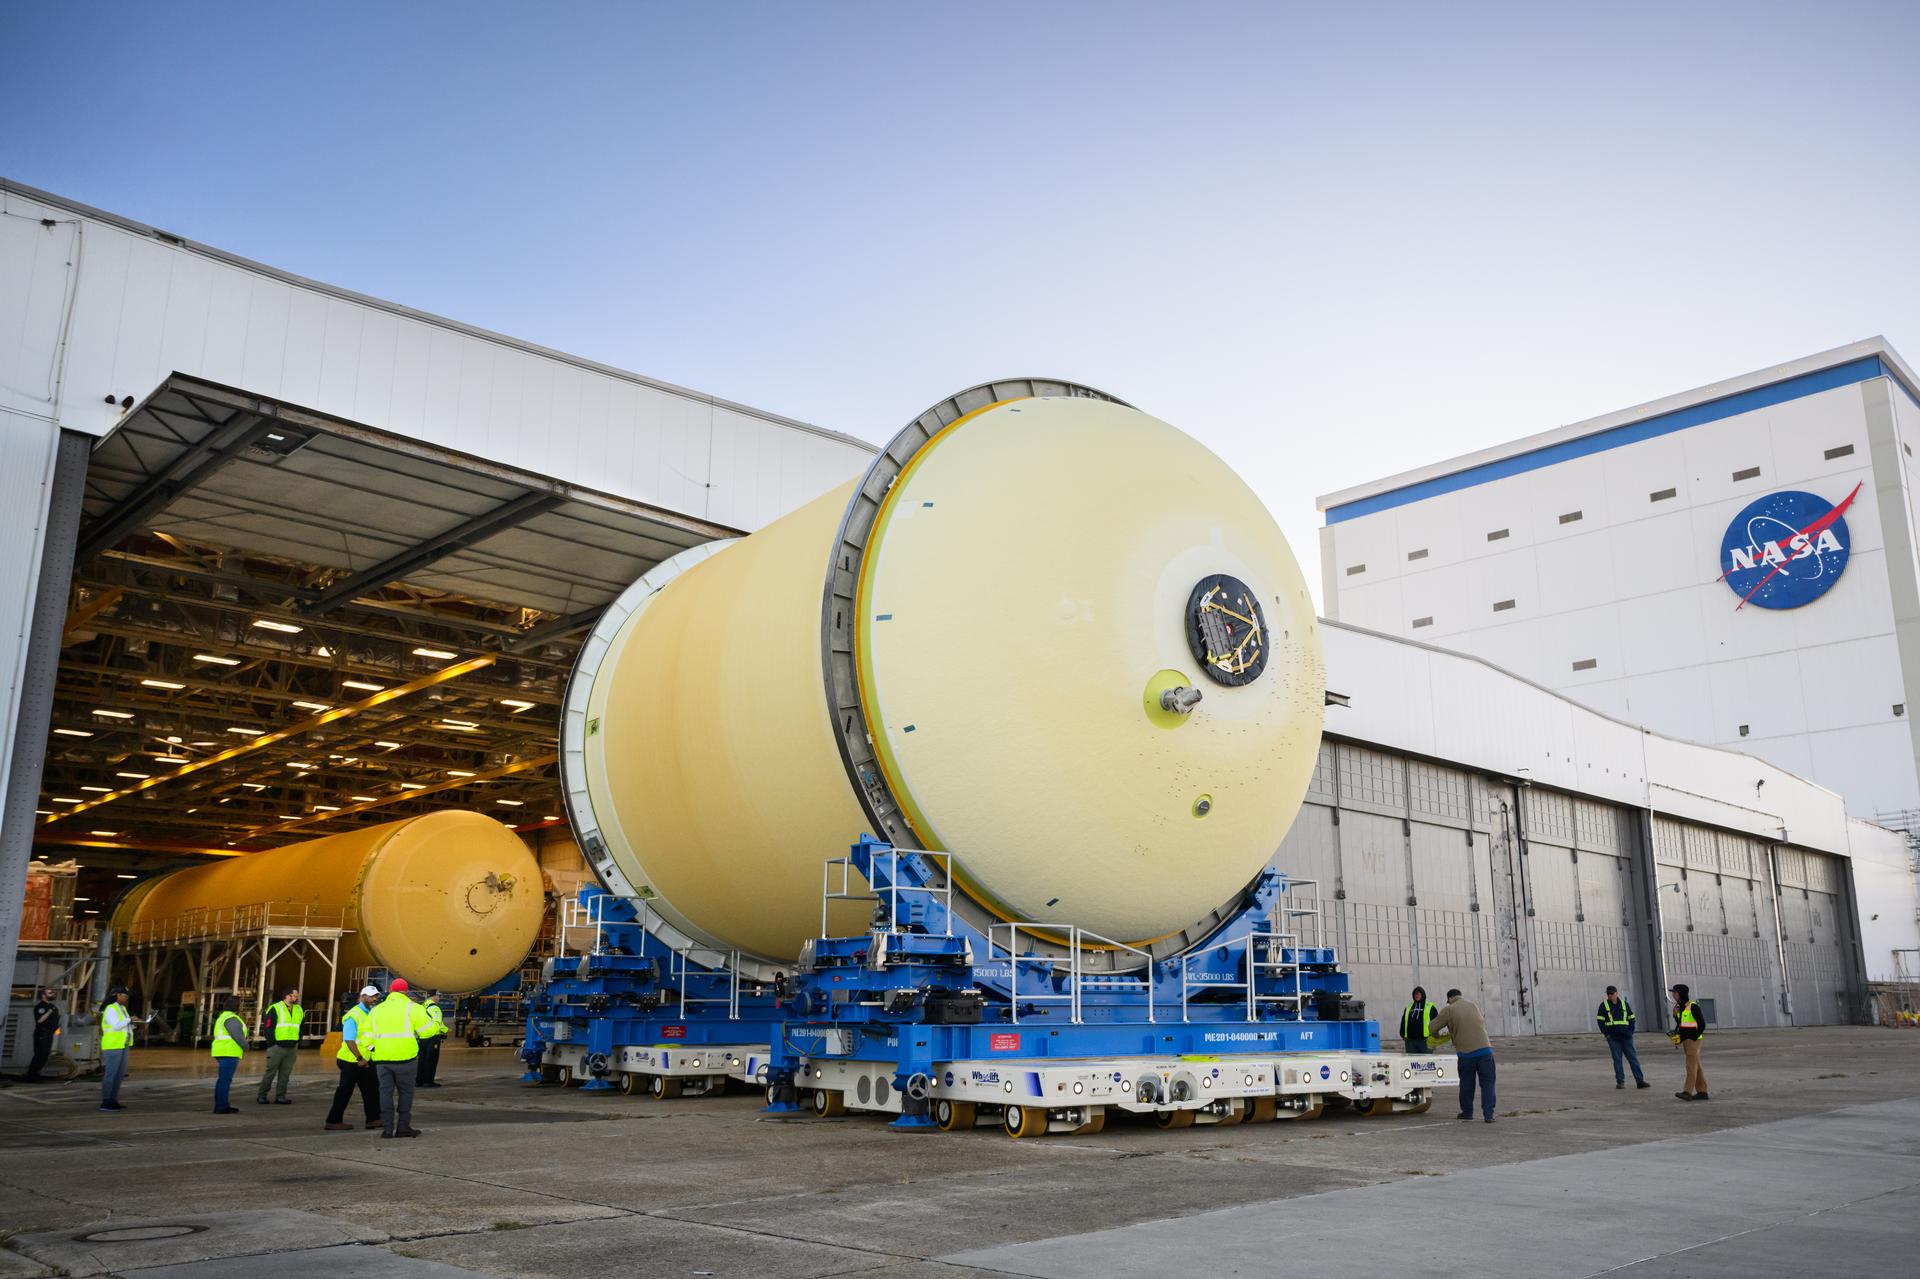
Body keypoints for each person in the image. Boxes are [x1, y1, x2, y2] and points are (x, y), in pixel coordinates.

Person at [364, 977, 434, 1138]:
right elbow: (427, 1032)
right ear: (406, 991)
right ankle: (403, 1128)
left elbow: (366, 1038)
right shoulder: (413, 1008)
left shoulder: (376, 1010)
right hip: (406, 1059)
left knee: (385, 1094)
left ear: (391, 991)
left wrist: (373, 1051)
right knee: (406, 1094)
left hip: (382, 1060)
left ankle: (387, 1129)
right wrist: (436, 1024)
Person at [1428, 987, 1496, 1123]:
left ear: (1449, 999)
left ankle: (1468, 1113)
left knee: (1466, 1084)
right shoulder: (1473, 1005)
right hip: (1485, 1051)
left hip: (1466, 1054)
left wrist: (1436, 1036)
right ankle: (1489, 1115)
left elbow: (1432, 1027)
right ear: (1460, 996)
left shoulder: (1449, 1009)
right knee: (1488, 1084)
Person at [325, 986, 383, 1132]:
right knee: (345, 1091)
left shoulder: (370, 1013)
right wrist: (359, 1058)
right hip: (351, 1060)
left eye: (376, 996)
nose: (374, 999)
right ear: (362, 996)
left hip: (366, 1059)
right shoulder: (354, 1015)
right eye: (371, 996)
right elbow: (350, 1040)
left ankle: (373, 1119)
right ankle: (333, 1120)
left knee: (371, 1089)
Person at [255, 986, 303, 1105]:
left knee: (285, 1074)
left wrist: (298, 1041)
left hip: (291, 1047)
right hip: (277, 1047)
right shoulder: (275, 1008)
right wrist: (273, 1044)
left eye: (297, 995)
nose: (296, 997)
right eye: (294, 995)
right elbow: (268, 1028)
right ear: (287, 996)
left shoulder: (299, 1009)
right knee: (270, 1072)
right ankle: (262, 1095)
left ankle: (281, 1096)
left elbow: (301, 1027)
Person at [1596, 985, 1648, 1089]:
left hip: (1626, 1037)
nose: (1610, 995)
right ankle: (1620, 1082)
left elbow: (1632, 1018)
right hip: (1613, 1038)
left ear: (1616, 993)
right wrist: (1606, 1034)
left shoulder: (1624, 1004)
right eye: (1608, 994)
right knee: (1617, 1060)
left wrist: (1631, 1031)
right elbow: (1600, 1021)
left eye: (1612, 993)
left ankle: (1640, 1081)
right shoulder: (1604, 1005)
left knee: (1633, 1059)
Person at [1670, 983, 1710, 1101]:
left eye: (1675, 992)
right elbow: (1682, 1025)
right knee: (1696, 1066)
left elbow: (1702, 1024)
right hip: (1686, 1040)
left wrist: (1694, 1037)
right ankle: (1702, 1092)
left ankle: (1687, 1092)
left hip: (1693, 1041)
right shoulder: (1680, 1007)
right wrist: (1675, 1016)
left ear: (1680, 993)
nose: (1673, 994)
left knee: (1690, 1066)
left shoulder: (1693, 1007)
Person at [98, 986, 133, 1112]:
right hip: (113, 1045)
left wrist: (133, 1023)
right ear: (117, 995)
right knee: (111, 1074)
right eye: (124, 995)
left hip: (123, 1044)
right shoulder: (111, 1009)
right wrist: (130, 1019)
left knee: (119, 1075)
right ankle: (106, 1101)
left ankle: (113, 1100)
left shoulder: (122, 1008)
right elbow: (116, 1026)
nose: (126, 998)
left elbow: (123, 1025)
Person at [209, 998, 247, 1114]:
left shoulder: (223, 1017)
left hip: (221, 1051)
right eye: (241, 1004)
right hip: (229, 1052)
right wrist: (245, 1046)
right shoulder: (232, 1019)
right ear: (236, 1006)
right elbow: (238, 1036)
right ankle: (221, 1106)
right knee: (225, 1080)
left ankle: (221, 1104)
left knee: (223, 1079)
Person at [26, 987, 61, 1082]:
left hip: (49, 1034)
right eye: (50, 993)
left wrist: (57, 1032)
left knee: (45, 1055)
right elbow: (40, 1020)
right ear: (43, 995)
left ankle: (36, 1074)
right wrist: (49, 1012)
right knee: (39, 1055)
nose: (53, 994)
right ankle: (32, 1076)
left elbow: (56, 1022)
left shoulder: (53, 1007)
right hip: (42, 1034)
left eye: (53, 992)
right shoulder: (41, 1007)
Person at [416, 990, 448, 1088]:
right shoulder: (435, 1008)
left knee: (421, 1060)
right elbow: (437, 1023)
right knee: (431, 1060)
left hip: (421, 1037)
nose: (439, 998)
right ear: (433, 997)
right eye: (438, 996)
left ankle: (418, 1081)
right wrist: (445, 1030)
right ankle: (428, 1081)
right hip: (432, 1037)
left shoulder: (422, 1007)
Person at [1399, 986, 1435, 1053]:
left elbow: (1436, 1022)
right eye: (1415, 994)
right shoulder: (1408, 1007)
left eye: (1419, 994)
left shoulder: (1430, 1007)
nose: (1417, 996)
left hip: (1425, 1041)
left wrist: (1433, 1036)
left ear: (1423, 995)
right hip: (1410, 1041)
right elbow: (1403, 1022)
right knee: (1411, 1061)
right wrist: (1402, 1034)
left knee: (1425, 1062)